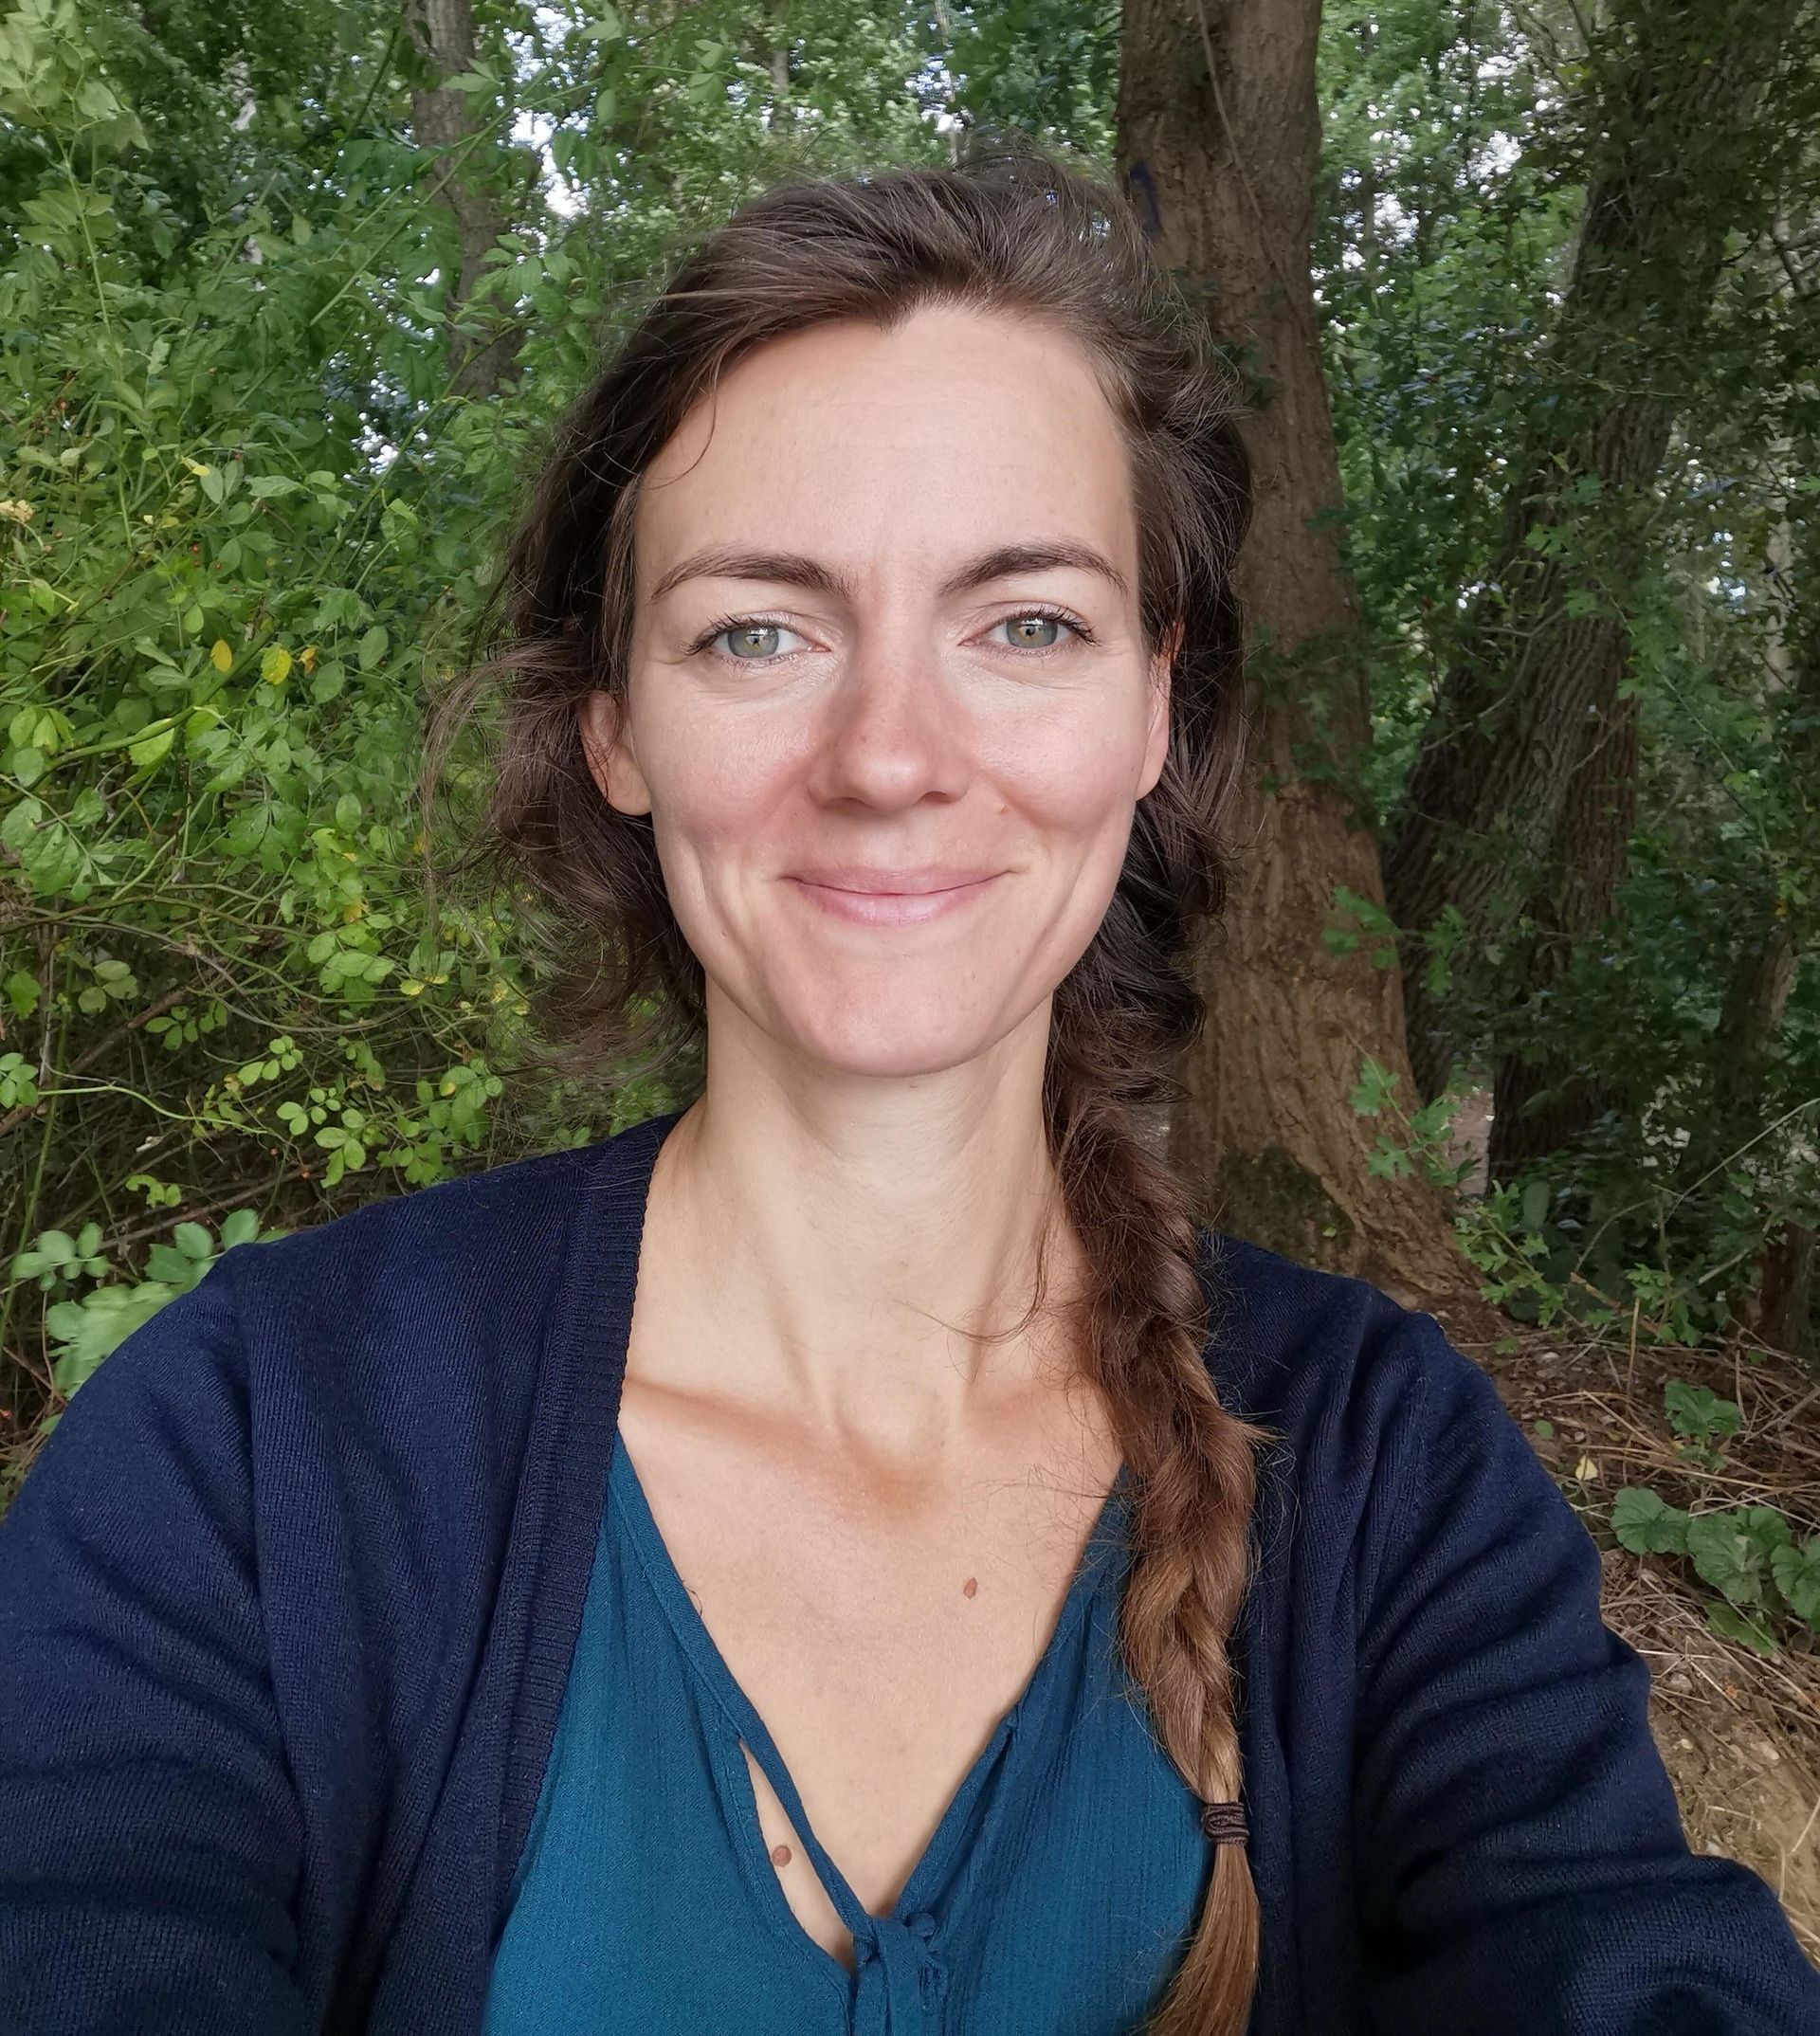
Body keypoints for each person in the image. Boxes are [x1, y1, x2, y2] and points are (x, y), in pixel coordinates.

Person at [0, 147, 1814, 2036]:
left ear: (1153, 709)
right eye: (758, 631)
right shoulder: (254, 1447)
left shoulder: (1388, 1472)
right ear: (617, 726)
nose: (889, 757)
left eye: (1025, 624)